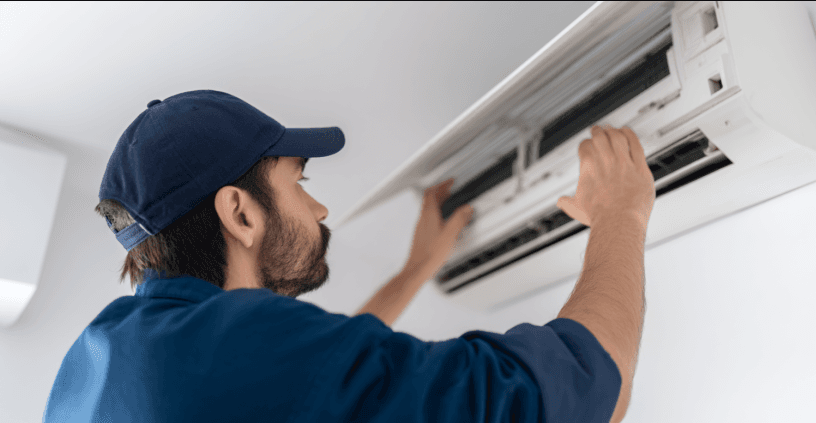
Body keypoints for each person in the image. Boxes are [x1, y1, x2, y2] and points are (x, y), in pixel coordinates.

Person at [43, 89, 653, 423]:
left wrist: (416, 270)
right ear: (240, 213)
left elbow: (325, 384)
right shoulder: (245, 344)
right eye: (299, 184)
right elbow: (579, 396)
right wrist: (621, 214)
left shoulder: (98, 363)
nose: (320, 212)